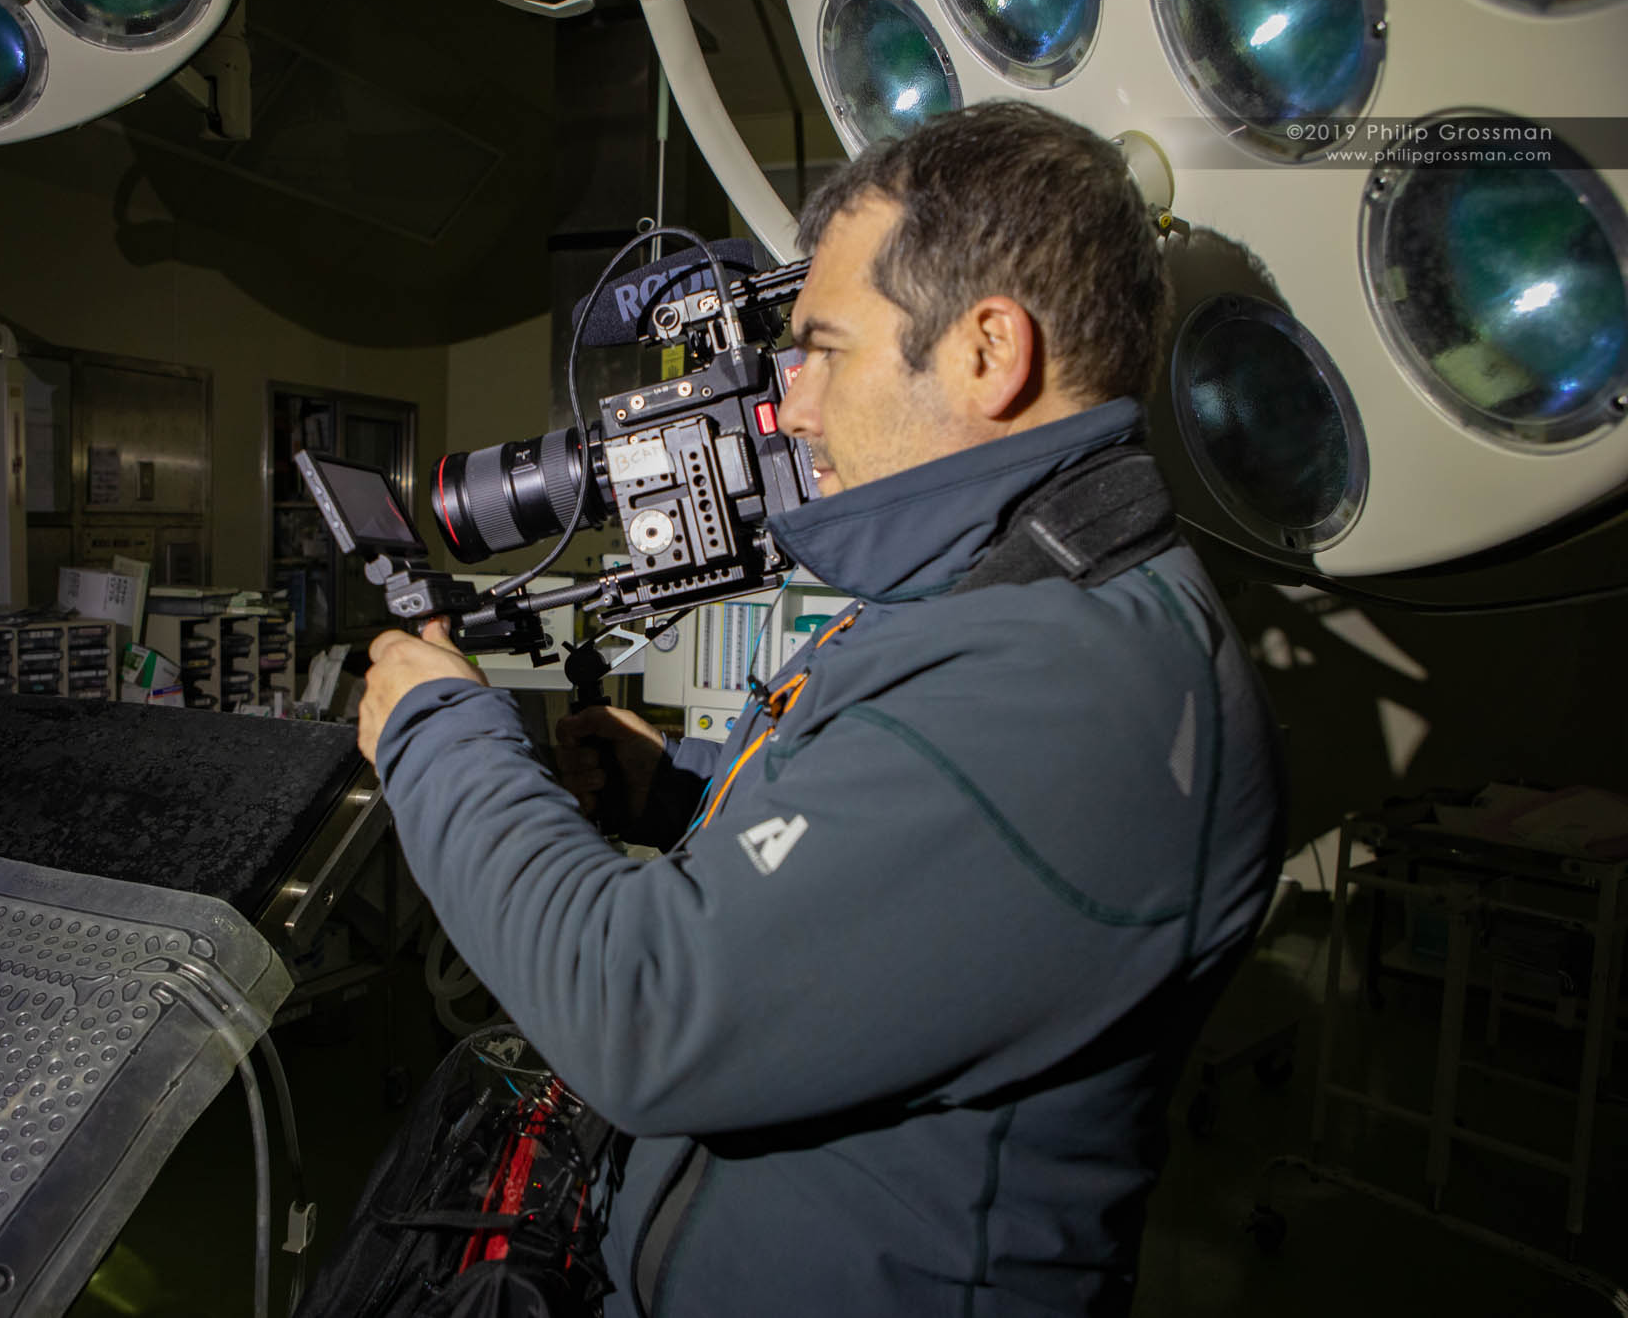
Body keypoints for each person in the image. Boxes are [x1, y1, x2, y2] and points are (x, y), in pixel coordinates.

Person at [356, 100, 1286, 1317]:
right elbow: (903, 850)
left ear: (984, 351)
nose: (788, 407)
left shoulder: (1063, 689)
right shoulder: (1006, 586)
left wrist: (439, 734)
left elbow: (643, 1009)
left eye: (824, 348)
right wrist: (682, 785)